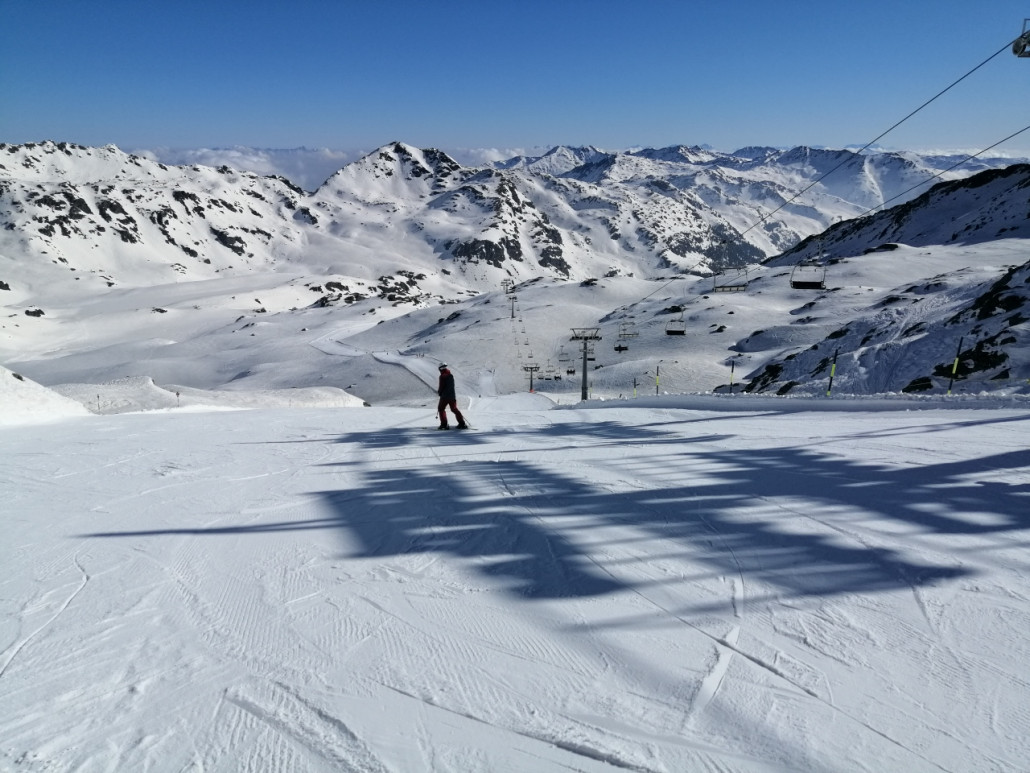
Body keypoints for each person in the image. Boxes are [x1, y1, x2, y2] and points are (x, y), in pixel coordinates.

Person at [437, 363, 468, 430]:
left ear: (440, 369)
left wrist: (439, 392)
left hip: (445, 396)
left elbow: (441, 386)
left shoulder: (442, 376)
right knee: (454, 409)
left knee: (441, 409)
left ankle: (444, 425)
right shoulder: (450, 375)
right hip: (452, 396)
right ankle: (462, 423)